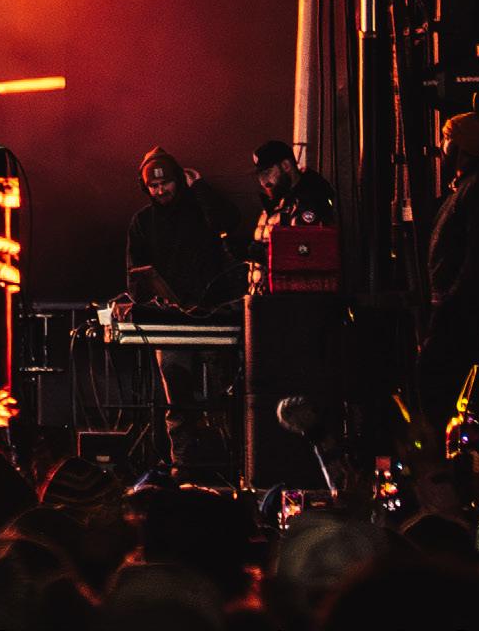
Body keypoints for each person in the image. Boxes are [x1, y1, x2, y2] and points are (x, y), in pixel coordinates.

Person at [123, 148, 245, 473]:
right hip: (171, 319)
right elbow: (135, 274)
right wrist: (147, 300)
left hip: (213, 312)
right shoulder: (142, 222)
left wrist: (200, 187)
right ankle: (184, 463)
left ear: (179, 180)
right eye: (153, 186)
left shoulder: (200, 209)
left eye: (166, 183)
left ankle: (234, 462)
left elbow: (230, 221)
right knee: (177, 395)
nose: (160, 190)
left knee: (225, 392)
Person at [419, 111, 479, 444]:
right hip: (453, 305)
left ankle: (442, 459)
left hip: (457, 308)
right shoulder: (463, 187)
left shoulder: (477, 187)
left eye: (446, 138)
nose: (441, 145)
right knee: (463, 393)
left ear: (459, 145)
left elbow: (477, 253)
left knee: (432, 384)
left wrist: (452, 301)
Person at [251, 139, 339, 249]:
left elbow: (307, 249)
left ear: (286, 166)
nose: (263, 182)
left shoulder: (311, 199)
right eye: (260, 176)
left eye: (267, 173)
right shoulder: (278, 198)